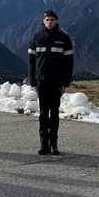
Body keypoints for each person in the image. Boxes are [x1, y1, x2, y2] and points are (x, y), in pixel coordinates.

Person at [28, 10, 74, 155]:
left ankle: (54, 144)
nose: (49, 22)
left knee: (54, 113)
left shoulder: (64, 39)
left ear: (57, 21)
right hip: (41, 80)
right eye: (47, 19)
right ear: (43, 21)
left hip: (57, 81)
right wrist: (33, 80)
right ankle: (43, 144)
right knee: (43, 113)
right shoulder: (37, 37)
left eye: (52, 20)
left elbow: (69, 63)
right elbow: (31, 62)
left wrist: (65, 82)